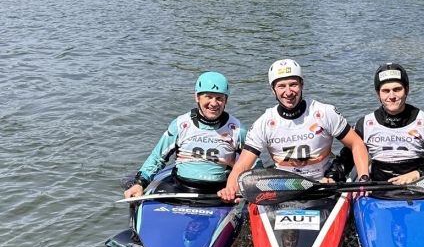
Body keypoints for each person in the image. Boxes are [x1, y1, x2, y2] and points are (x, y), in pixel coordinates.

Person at [217, 59, 370, 202]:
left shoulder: (324, 113)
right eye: (281, 86)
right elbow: (243, 165)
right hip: (284, 188)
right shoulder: (264, 123)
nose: (288, 92)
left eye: (293, 84)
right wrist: (230, 188)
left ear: (302, 85)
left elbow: (356, 143)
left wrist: (363, 177)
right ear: (273, 90)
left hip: (324, 183)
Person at [325, 63, 424, 185]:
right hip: (377, 190)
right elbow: (345, 160)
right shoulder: (365, 124)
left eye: (397, 89)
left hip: (420, 188)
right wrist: (331, 177)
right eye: (385, 91)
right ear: (377, 94)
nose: (391, 96)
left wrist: (419, 173)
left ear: (407, 90)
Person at [123, 71, 247, 199]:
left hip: (219, 193)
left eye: (219, 98)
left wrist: (238, 190)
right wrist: (140, 183)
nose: (214, 103)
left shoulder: (237, 129)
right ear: (197, 97)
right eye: (208, 97)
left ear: (226, 100)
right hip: (181, 188)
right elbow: (157, 157)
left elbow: (253, 165)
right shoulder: (180, 125)